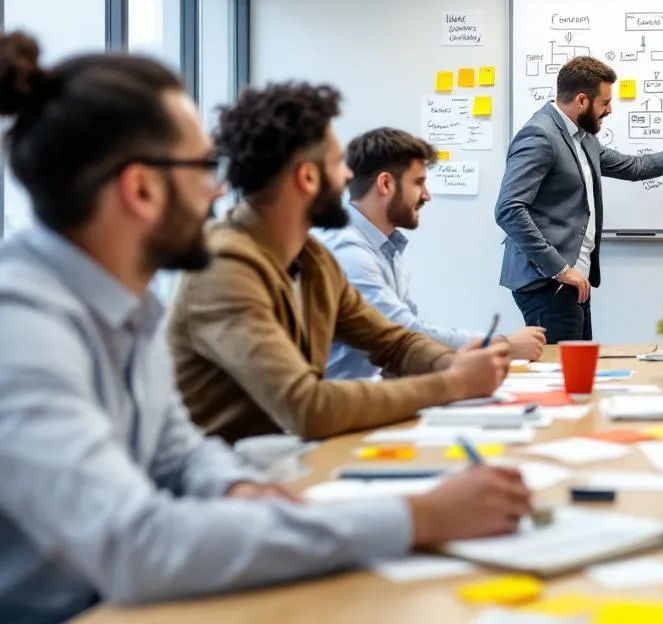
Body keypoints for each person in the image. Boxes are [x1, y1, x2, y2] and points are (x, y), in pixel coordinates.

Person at [0, 33, 531, 623]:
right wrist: (420, 516)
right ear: (141, 187)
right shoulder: (22, 331)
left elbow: (178, 452)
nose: (218, 188)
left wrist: (236, 490)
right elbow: (134, 544)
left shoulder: (127, 303)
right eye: (203, 166)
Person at [169, 82, 510, 443]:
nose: (348, 177)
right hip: (234, 473)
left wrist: (451, 362)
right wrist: (453, 383)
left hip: (285, 456)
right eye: (337, 164)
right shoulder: (224, 267)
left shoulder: (312, 258)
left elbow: (392, 342)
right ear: (307, 177)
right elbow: (307, 406)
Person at [496, 56, 663, 342]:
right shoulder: (540, 136)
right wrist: (560, 269)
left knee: (578, 372)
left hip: (573, 282)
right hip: (548, 282)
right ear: (582, 100)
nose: (609, 110)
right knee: (560, 375)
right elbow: (508, 209)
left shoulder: (582, 137)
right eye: (605, 102)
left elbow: (635, 167)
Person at [317, 127, 545, 380]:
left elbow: (412, 333)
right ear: (385, 184)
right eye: (418, 183)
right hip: (338, 406)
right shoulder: (349, 252)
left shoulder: (384, 249)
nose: (427, 195)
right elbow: (405, 335)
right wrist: (502, 345)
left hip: (366, 395)